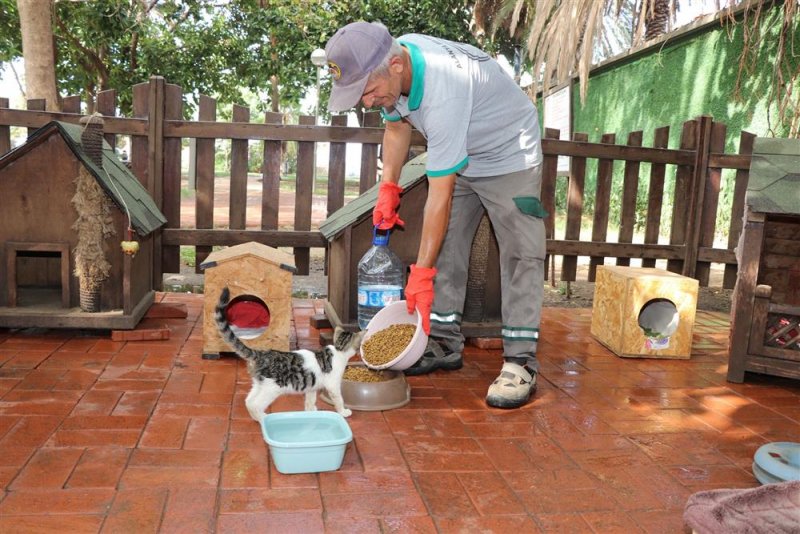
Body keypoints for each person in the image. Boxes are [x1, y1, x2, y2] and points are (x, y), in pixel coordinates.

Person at [324, 21, 546, 409]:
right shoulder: (395, 62)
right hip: (462, 151)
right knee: (445, 245)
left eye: (368, 91)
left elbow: (438, 196)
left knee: (521, 253)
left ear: (395, 66)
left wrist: (421, 275)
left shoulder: (444, 92)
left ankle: (521, 361)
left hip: (510, 154)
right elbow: (396, 128)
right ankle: (443, 341)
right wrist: (388, 188)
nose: (367, 102)